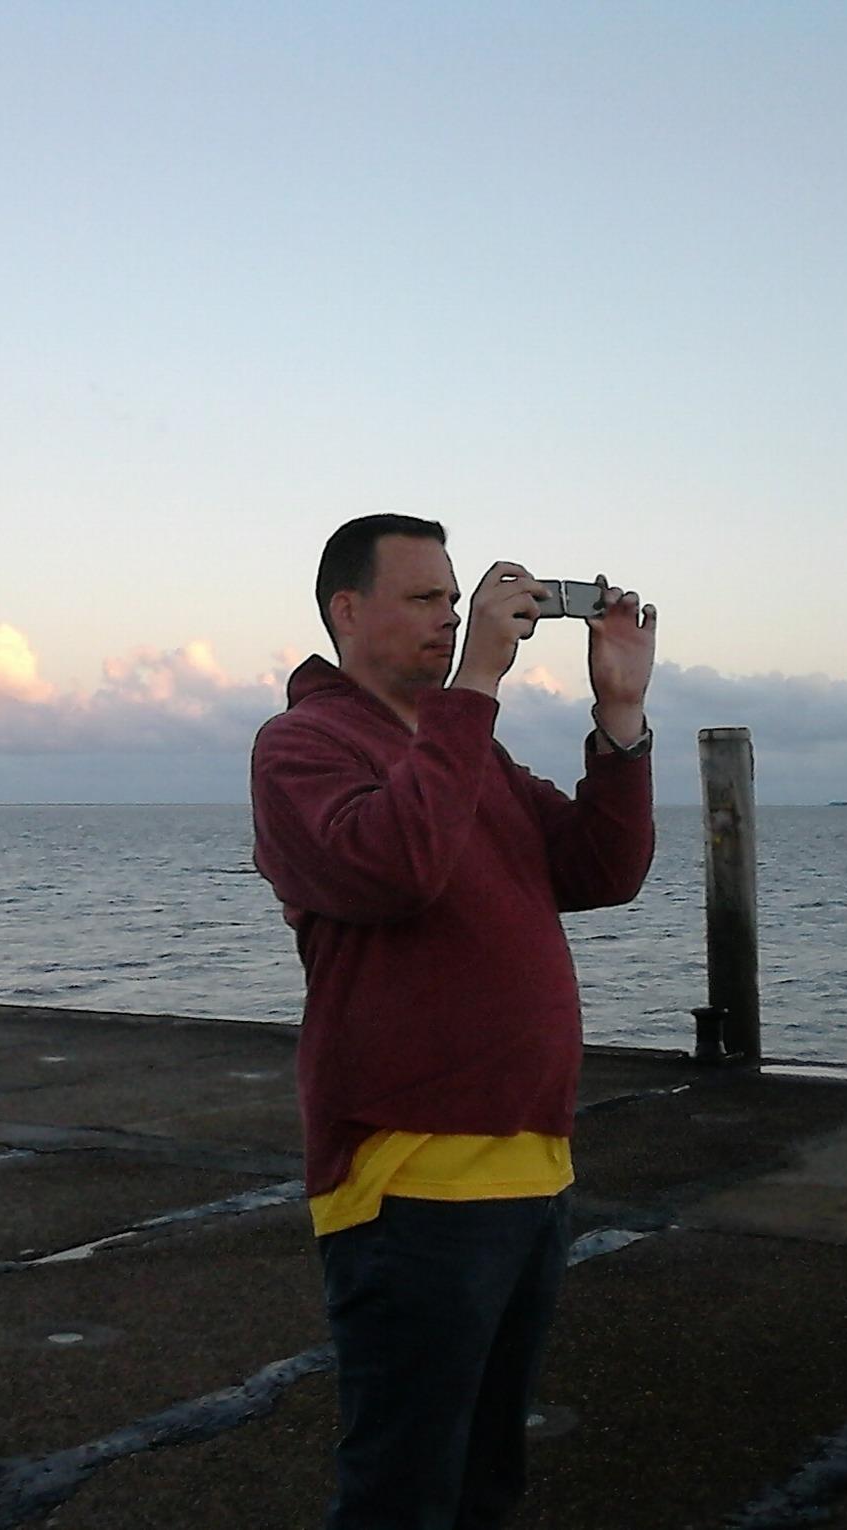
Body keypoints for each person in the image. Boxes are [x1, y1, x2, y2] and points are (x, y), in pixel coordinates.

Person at [250, 513, 657, 1528]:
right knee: (405, 1489)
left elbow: (601, 869)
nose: (452, 615)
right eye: (427, 598)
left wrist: (620, 717)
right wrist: (475, 684)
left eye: (453, 596)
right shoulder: (302, 745)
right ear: (349, 611)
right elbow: (393, 868)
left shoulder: (470, 751)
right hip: (410, 1182)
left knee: (484, 1482)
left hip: (534, 1169)